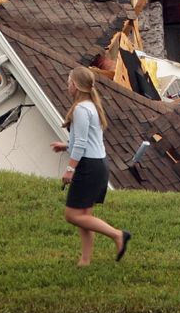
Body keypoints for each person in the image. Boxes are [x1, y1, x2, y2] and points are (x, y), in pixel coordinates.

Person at [49, 66, 131, 266]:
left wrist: (69, 170)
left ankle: (118, 235)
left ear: (76, 85)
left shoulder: (81, 109)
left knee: (72, 215)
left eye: (69, 82)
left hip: (89, 166)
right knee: (83, 215)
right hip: (97, 163)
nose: (67, 86)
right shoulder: (91, 106)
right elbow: (86, 140)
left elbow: (81, 143)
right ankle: (85, 260)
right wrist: (65, 146)